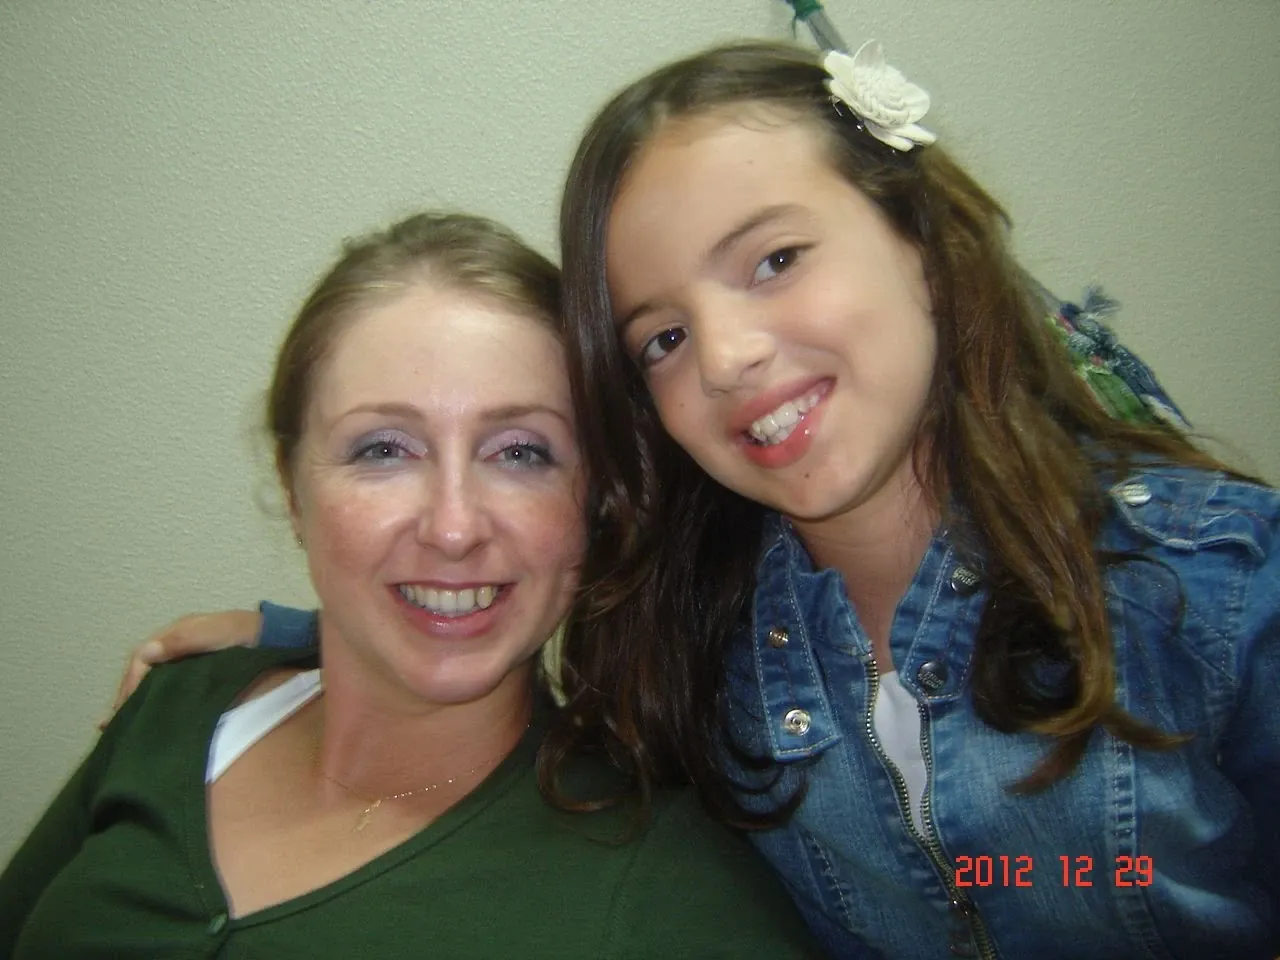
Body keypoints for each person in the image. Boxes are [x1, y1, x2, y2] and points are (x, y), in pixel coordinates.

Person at [105, 40, 1279, 959]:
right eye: (659, 336)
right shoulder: (697, 641)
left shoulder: (1216, 587)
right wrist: (293, 642)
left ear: (916, 239)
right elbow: (499, 618)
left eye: (773, 260)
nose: (722, 357)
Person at [0, 212, 825, 958]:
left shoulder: (667, 892)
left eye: (520, 453)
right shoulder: (172, 710)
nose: (454, 527)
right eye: (383, 450)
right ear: (293, 488)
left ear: (594, 508)